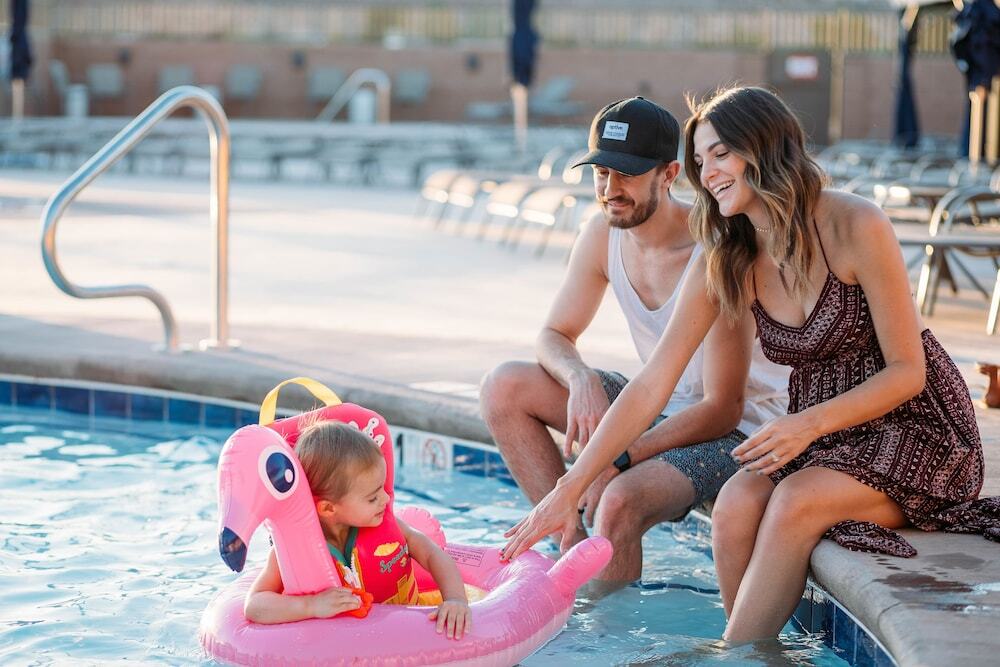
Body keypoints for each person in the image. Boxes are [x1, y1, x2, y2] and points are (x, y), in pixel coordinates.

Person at [500, 85, 1000, 642]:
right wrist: (568, 489)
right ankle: (756, 648)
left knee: (793, 501)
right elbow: (653, 382)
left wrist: (806, 425)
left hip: (913, 426)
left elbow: (909, 371)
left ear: (764, 147)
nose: (708, 173)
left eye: (720, 154)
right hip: (817, 432)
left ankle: (734, 655)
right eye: (699, 161)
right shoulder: (728, 253)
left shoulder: (855, 223)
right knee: (736, 503)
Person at [480, 96, 788, 587]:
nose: (610, 189)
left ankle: (605, 627)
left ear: (669, 174)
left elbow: (722, 410)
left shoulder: (716, 248)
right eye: (602, 173)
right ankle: (571, 553)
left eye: (626, 174)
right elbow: (554, 334)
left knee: (619, 500)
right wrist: (579, 377)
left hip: (737, 431)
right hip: (656, 404)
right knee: (505, 386)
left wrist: (618, 457)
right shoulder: (602, 234)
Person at [244, 421, 471, 639]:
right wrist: (311, 605)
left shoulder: (389, 526)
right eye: (372, 497)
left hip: (409, 629)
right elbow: (254, 605)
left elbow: (432, 554)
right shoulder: (293, 552)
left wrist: (456, 600)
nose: (386, 499)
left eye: (382, 488)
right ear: (328, 508)